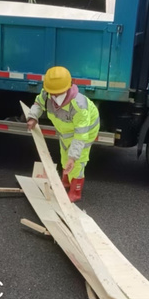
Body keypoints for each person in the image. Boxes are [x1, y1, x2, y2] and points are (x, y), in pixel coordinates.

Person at [27, 66, 99, 203]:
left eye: (59, 93)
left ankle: (75, 191)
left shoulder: (79, 107)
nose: (55, 97)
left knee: (77, 161)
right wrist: (33, 117)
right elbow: (38, 103)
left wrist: (73, 157)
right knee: (64, 153)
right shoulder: (47, 94)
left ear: (69, 87)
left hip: (85, 131)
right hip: (66, 131)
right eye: (52, 93)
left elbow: (80, 136)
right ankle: (66, 181)